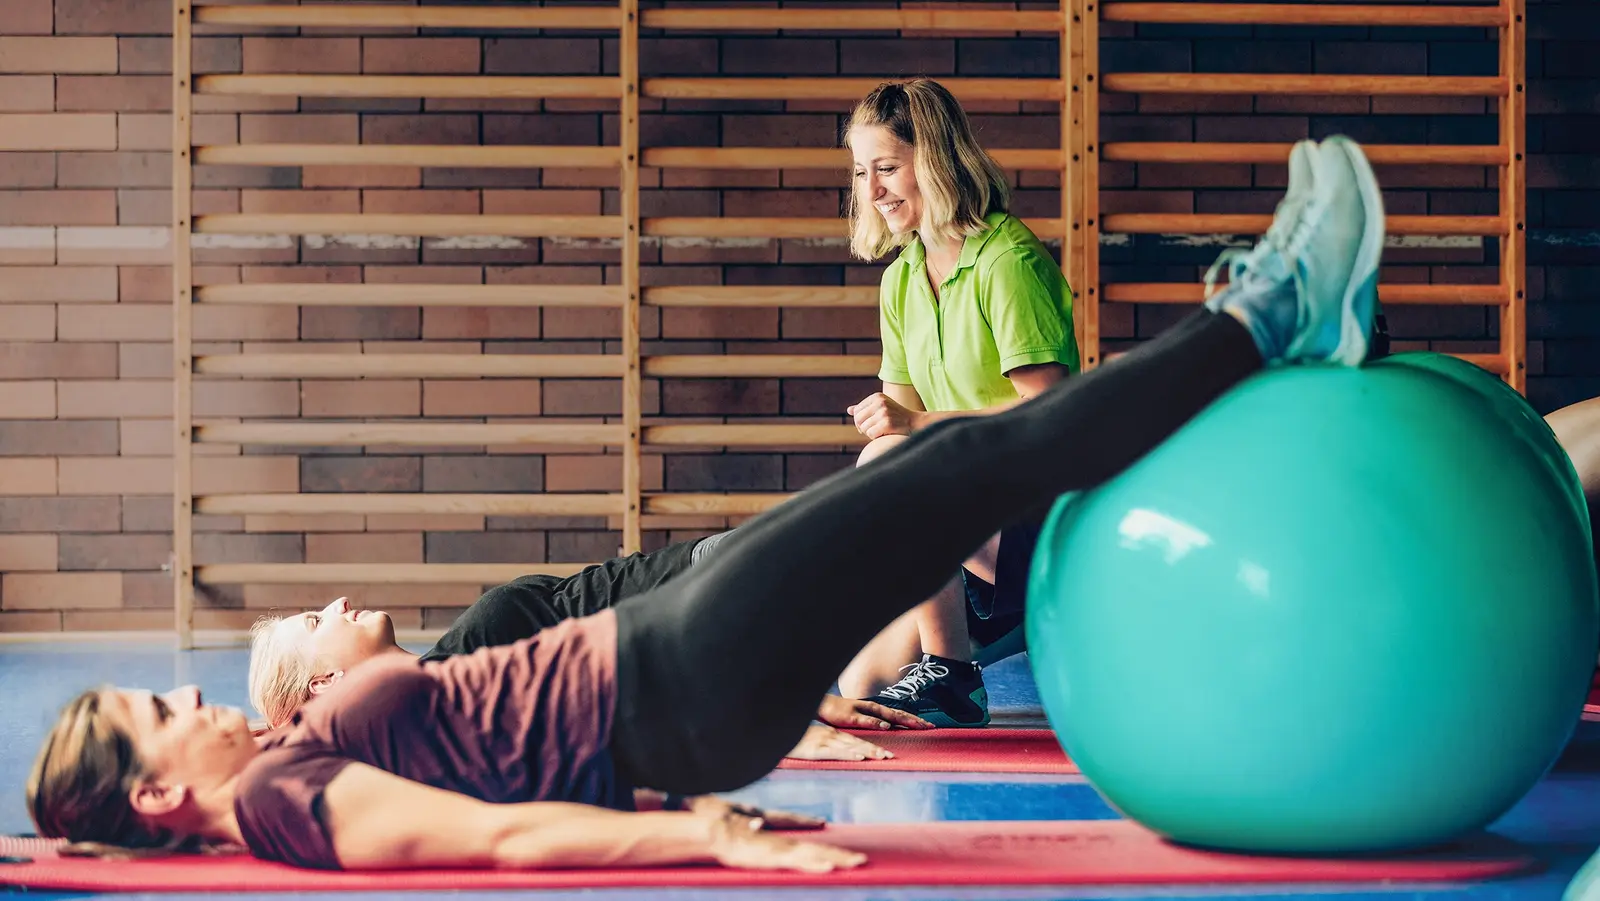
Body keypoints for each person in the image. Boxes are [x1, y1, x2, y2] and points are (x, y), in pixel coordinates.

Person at [25, 134, 1384, 874]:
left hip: (677, 670)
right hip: (679, 675)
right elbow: (498, 836)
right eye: (162, 714)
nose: (187, 698)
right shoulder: (282, 805)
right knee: (973, 466)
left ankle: (1271, 320)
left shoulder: (280, 767)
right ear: (154, 797)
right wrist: (702, 837)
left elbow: (495, 761)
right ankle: (1272, 313)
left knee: (947, 469)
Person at [837, 79, 1083, 727]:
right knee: (861, 683)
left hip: (1037, 514)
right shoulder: (900, 279)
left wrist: (915, 429)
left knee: (894, 454)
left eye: (887, 167)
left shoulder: (1009, 260)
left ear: (937, 160)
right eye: (862, 172)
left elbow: (1050, 415)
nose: (873, 188)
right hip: (963, 530)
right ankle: (960, 647)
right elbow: (896, 432)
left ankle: (953, 673)